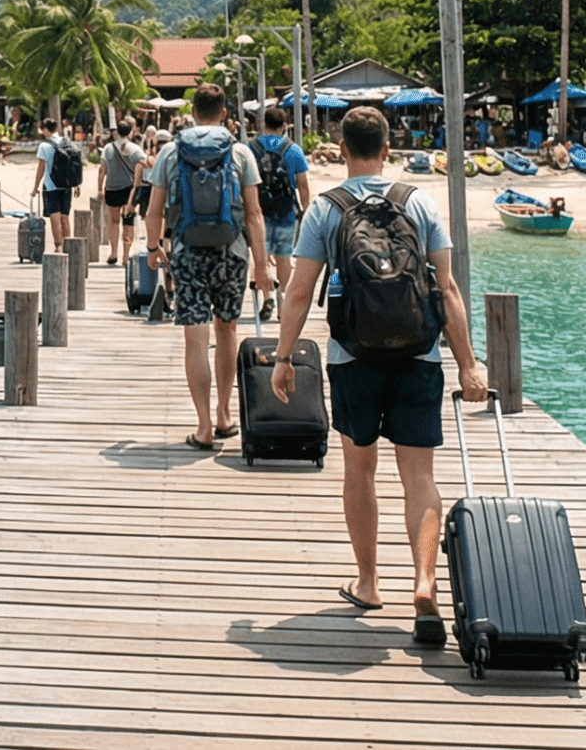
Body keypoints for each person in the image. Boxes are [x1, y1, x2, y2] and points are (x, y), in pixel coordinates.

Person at [269, 104, 488, 647]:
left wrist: (282, 356)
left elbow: (299, 291)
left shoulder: (324, 209)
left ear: (340, 149)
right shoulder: (418, 202)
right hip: (420, 355)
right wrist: (468, 362)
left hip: (352, 356)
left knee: (359, 470)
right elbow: (449, 290)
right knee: (420, 477)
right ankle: (425, 583)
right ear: (388, 149)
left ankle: (368, 582)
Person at [143, 84, 264, 451]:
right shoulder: (240, 151)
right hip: (232, 251)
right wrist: (263, 267)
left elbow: (154, 211)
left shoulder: (170, 150)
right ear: (224, 114)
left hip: (186, 250)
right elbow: (255, 214)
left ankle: (204, 426)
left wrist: (152, 248)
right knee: (227, 331)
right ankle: (226, 415)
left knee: (195, 337)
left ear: (193, 112)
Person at [248, 105, 310, 323]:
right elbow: (302, 184)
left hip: (258, 213)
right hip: (286, 213)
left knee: (260, 258)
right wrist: (305, 210)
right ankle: (284, 304)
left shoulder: (251, 148)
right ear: (284, 126)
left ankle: (267, 298)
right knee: (284, 258)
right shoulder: (292, 149)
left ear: (263, 124)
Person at [99, 118, 146, 266]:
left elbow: (102, 170)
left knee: (113, 222)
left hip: (112, 189)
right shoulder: (136, 149)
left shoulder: (108, 148)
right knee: (128, 222)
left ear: (117, 132)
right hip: (129, 191)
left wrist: (99, 189)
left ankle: (113, 252)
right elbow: (145, 164)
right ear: (130, 132)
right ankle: (125, 256)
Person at [31, 116, 78, 251]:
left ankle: (58, 245)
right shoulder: (67, 142)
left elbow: (41, 168)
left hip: (51, 185)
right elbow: (74, 164)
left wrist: (35, 188)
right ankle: (68, 246)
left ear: (46, 130)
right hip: (67, 185)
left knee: (54, 217)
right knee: (65, 216)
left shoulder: (44, 146)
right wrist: (77, 184)